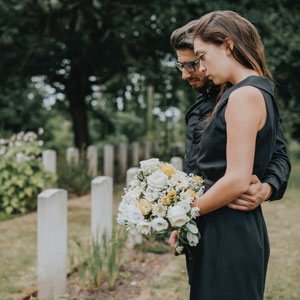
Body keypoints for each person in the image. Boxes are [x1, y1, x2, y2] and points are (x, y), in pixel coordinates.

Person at [168, 11, 290, 300]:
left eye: (199, 58)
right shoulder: (245, 92)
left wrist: (181, 216)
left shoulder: (243, 95)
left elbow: (237, 178)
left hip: (229, 223)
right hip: (214, 219)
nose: (196, 69)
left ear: (227, 45)